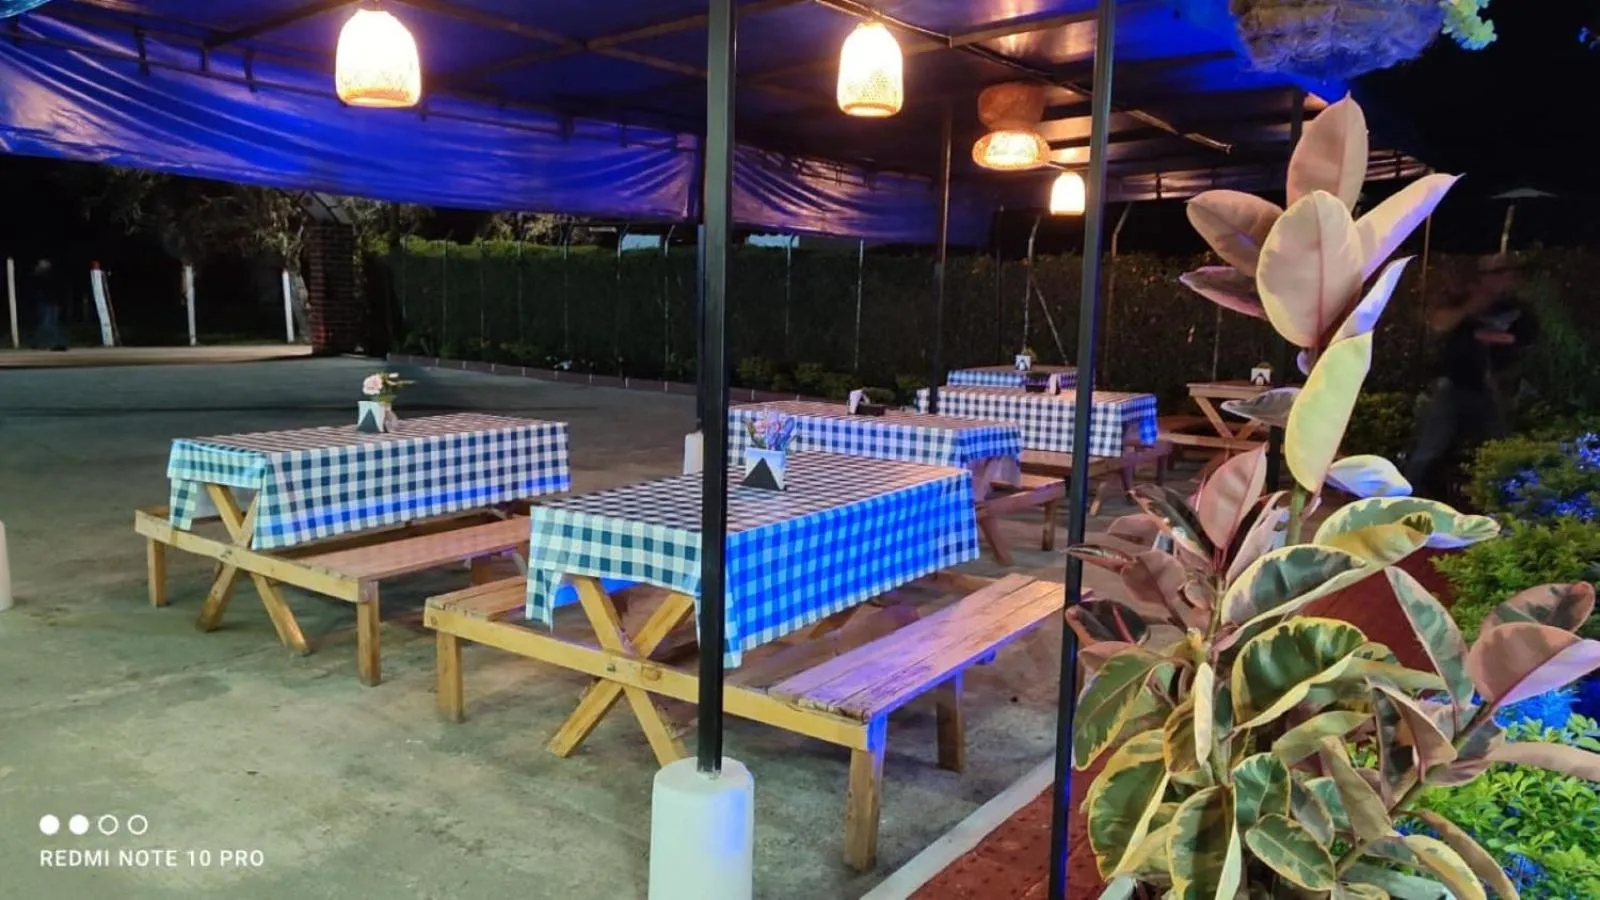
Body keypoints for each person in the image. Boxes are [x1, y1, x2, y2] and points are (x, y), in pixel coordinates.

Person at [1402, 254, 1537, 499]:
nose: (1504, 279)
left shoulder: (1514, 307)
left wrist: (1491, 337)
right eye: (1496, 273)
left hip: (1492, 389)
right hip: (1453, 385)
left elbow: (1525, 339)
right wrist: (1470, 307)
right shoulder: (1462, 301)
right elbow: (1439, 323)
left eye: (1506, 273)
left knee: (1500, 448)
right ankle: (1400, 498)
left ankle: (1509, 503)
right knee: (1429, 447)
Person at [30, 258, 67, 352]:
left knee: (50, 323)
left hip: (50, 301)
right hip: (45, 301)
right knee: (47, 323)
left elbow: (56, 288)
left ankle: (53, 343)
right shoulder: (40, 276)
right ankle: (48, 343)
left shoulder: (50, 275)